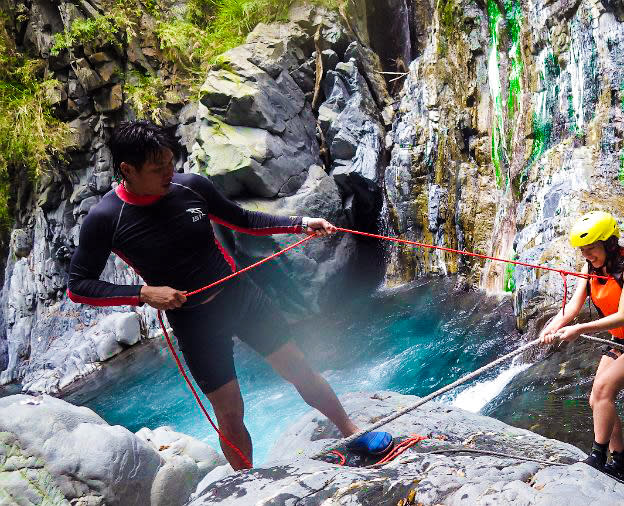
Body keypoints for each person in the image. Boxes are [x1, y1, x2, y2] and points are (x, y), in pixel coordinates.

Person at [67, 120, 391, 469]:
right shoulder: (106, 218)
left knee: (300, 368)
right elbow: (80, 286)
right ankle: (247, 484)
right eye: (157, 168)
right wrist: (144, 293)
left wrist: (300, 223)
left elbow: (244, 220)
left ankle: (352, 432)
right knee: (230, 410)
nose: (168, 173)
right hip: (193, 321)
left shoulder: (189, 187)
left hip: (240, 296)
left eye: (169, 164)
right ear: (127, 170)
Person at [538, 211, 624, 481]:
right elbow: (572, 308)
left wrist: (580, 330)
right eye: (583, 251)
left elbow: (623, 316)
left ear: (609, 243)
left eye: (592, 249)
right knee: (596, 399)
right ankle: (619, 462)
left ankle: (597, 457)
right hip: (620, 341)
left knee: (603, 389)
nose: (587, 255)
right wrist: (550, 328)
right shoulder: (590, 269)